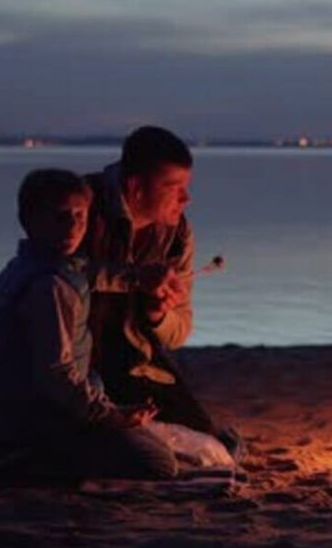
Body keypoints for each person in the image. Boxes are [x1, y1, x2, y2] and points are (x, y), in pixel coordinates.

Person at [0, 169, 177, 479]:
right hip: (29, 420)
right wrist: (110, 416)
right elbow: (56, 375)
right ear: (29, 220)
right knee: (159, 463)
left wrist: (138, 279)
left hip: (7, 413)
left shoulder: (29, 265)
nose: (72, 227)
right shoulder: (49, 287)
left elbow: (91, 274)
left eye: (80, 217)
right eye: (60, 217)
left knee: (147, 439)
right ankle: (33, 462)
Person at [81, 125, 244, 455]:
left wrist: (158, 314)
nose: (187, 198)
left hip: (132, 361)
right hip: (74, 356)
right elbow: (50, 273)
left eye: (188, 186)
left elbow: (177, 333)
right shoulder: (80, 206)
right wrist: (132, 278)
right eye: (175, 188)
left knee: (210, 444)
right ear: (135, 187)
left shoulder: (177, 234)